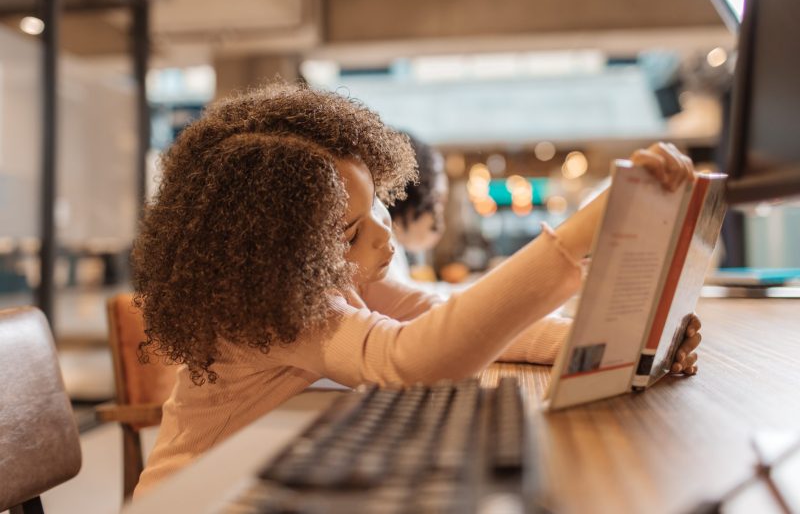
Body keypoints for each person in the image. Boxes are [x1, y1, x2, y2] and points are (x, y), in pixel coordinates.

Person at [132, 83, 701, 495]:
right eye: (351, 233)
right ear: (281, 257)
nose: (385, 239)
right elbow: (408, 360)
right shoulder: (269, 310)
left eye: (378, 205)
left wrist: (619, 342)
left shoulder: (343, 280)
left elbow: (448, 318)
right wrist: (575, 235)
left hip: (270, 474)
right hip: (201, 497)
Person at [384, 133, 448, 284]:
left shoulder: (392, 246)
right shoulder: (381, 247)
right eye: (436, 200)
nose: (438, 220)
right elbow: (411, 303)